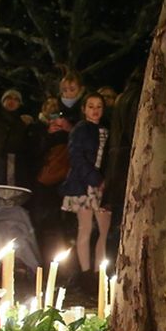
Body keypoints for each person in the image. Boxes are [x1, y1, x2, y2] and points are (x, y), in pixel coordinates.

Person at [60, 92, 112, 285]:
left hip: (102, 184)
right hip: (84, 184)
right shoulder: (81, 130)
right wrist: (93, 177)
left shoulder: (107, 130)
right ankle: (86, 273)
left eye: (99, 106)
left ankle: (100, 273)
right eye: (91, 106)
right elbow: (76, 156)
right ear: (84, 109)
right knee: (85, 229)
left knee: (103, 230)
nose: (95, 110)